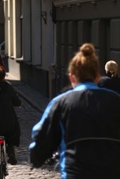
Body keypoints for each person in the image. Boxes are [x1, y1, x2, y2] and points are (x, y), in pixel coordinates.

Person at [29, 43, 120, 179]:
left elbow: (40, 137)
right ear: (97, 77)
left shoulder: (61, 103)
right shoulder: (115, 100)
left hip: (76, 174)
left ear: (72, 77)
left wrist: (36, 157)